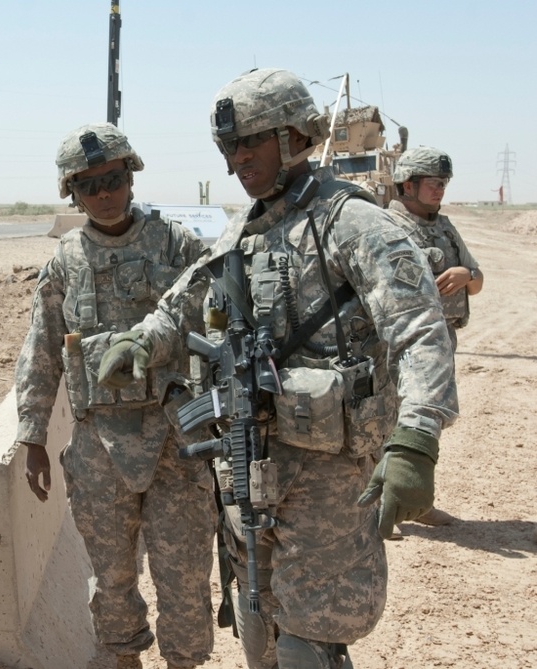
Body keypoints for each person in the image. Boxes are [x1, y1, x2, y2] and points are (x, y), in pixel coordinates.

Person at [97, 69, 458, 669]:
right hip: (249, 459)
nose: (238, 159)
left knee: (310, 632)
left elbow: (419, 329)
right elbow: (185, 299)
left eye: (250, 143)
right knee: (255, 617)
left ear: (294, 136)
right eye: (228, 148)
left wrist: (417, 438)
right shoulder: (245, 230)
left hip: (326, 472)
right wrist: (142, 340)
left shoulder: (354, 223)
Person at [14, 122, 218, 669]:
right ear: (72, 194)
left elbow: (219, 318)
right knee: (111, 575)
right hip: (99, 450)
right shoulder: (65, 260)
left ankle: (184, 661)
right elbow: (41, 351)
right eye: (89, 186)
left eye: (111, 180)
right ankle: (123, 658)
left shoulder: (176, 245)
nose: (103, 195)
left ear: (130, 177)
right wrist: (32, 436)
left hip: (177, 442)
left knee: (185, 573)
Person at [388, 146, 484, 527]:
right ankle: (390, 503)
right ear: (408, 185)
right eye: (433, 182)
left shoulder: (444, 227)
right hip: (402, 344)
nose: (440, 189)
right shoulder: (387, 227)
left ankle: (416, 502)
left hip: (441, 341)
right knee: (395, 420)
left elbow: (477, 282)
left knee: (429, 421)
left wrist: (466, 276)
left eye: (444, 182)